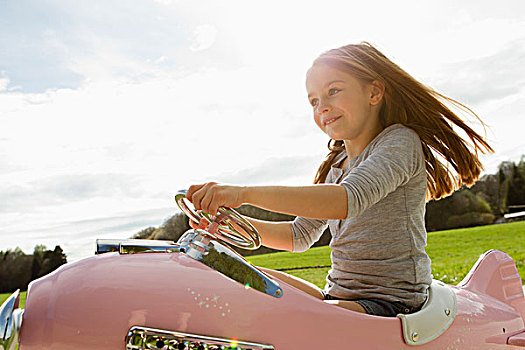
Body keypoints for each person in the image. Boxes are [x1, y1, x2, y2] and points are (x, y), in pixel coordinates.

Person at [185, 42, 493, 317]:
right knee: (244, 279)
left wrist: (243, 193)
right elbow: (299, 235)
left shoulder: (399, 142)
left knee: (282, 315)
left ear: (374, 92)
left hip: (391, 303)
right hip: (340, 296)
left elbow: (348, 200)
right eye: (314, 101)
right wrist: (226, 225)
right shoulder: (336, 164)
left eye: (333, 91)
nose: (323, 108)